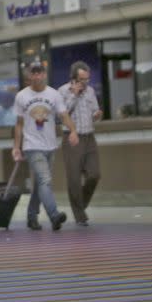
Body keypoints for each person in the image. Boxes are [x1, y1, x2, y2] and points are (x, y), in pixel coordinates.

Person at [13, 62, 79, 231]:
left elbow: (64, 115)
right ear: (29, 75)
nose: (37, 76)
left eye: (40, 72)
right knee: (45, 180)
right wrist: (16, 147)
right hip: (31, 145)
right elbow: (19, 124)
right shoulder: (21, 96)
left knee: (40, 184)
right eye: (33, 73)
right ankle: (54, 215)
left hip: (50, 145)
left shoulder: (54, 94)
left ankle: (31, 216)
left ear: (44, 74)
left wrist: (73, 131)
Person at [58, 61, 103, 226]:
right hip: (71, 137)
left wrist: (97, 114)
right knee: (74, 179)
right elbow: (62, 115)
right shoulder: (62, 91)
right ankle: (80, 215)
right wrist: (74, 95)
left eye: (87, 79)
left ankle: (80, 205)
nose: (85, 83)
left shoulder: (90, 91)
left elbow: (93, 111)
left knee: (94, 174)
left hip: (89, 137)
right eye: (82, 80)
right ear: (74, 78)